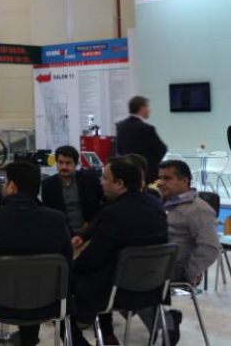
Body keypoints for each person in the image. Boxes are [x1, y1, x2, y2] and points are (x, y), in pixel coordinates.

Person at [0, 161, 72, 346]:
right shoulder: (56, 220)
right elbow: (68, 264)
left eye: (5, 182)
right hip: (48, 304)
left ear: (12, 186)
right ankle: (29, 340)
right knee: (34, 280)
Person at [71, 157, 168, 346]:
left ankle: (79, 337)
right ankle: (105, 334)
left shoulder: (113, 213)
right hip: (153, 285)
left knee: (63, 282)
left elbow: (93, 258)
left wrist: (72, 265)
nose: (101, 182)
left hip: (119, 290)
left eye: (105, 178)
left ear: (119, 184)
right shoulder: (155, 205)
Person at [133, 159, 220, 344]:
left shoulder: (198, 209)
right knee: (117, 275)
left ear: (184, 181)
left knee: (131, 281)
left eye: (167, 178)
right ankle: (165, 322)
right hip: (153, 262)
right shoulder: (160, 203)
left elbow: (210, 247)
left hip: (176, 266)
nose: (161, 182)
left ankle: (166, 324)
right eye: (159, 178)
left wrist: (190, 272)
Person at [41, 145, 104, 237]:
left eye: (68, 163)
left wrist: (89, 225)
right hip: (62, 233)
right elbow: (48, 214)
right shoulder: (48, 185)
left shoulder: (89, 179)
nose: (64, 166)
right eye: (60, 162)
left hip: (90, 231)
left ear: (76, 164)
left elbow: (100, 207)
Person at [116, 95, 167, 183]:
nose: (149, 110)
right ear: (141, 108)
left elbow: (119, 149)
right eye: (147, 107)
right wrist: (152, 164)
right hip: (146, 174)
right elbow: (161, 149)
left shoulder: (121, 126)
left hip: (127, 172)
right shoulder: (146, 128)